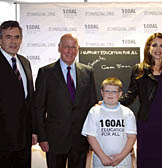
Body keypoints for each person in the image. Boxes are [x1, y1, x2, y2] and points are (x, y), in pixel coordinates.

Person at [34, 33, 98, 168]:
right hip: (54, 140)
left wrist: (93, 138)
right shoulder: (45, 73)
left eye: (73, 47)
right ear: (59, 48)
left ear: (78, 49)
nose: (70, 51)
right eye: (66, 47)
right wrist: (42, 137)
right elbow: (39, 108)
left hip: (80, 139)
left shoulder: (88, 72)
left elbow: (92, 107)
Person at [119, 32, 162, 168]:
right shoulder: (139, 70)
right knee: (145, 160)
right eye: (154, 45)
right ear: (148, 47)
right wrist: (109, 102)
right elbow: (130, 96)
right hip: (146, 123)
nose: (158, 49)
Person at [0, 20, 37, 167]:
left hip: (24, 139)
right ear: (0, 39)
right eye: (8, 37)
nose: (13, 41)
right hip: (3, 141)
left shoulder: (24, 62)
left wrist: (34, 130)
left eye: (17, 37)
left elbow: (30, 100)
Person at [82, 77, 137, 168]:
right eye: (107, 91)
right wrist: (102, 156)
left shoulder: (128, 113)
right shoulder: (94, 111)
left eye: (114, 92)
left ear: (120, 94)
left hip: (123, 162)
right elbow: (91, 136)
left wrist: (121, 157)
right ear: (102, 92)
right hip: (101, 161)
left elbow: (131, 137)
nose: (110, 94)